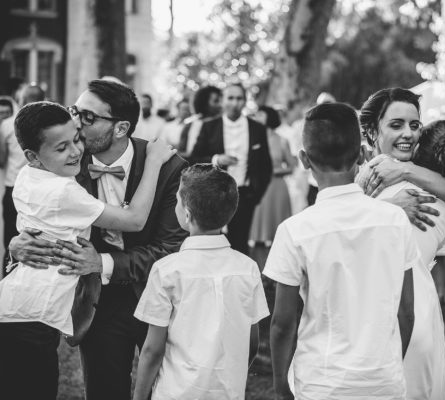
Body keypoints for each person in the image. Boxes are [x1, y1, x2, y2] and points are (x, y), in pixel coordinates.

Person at [8, 79, 188, 400]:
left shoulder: (168, 167)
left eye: (87, 117)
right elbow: (40, 213)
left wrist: (102, 261)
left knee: (164, 389)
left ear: (120, 128)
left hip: (156, 294)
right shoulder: (67, 162)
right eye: (75, 111)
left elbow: (172, 249)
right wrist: (16, 245)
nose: (75, 121)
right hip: (97, 299)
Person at [265, 102, 421, 399]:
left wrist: (280, 384)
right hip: (383, 379)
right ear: (362, 155)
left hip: (322, 382)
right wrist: (388, 366)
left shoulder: (294, 230)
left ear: (303, 160)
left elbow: (283, 323)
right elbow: (407, 311)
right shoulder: (394, 220)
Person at [357, 88, 445, 400]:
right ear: (372, 131)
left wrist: (405, 170)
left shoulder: (430, 179)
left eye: (414, 125)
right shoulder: (369, 175)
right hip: (378, 301)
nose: (408, 134)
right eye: (396, 125)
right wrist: (387, 208)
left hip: (401, 304)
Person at [132, 164, 269, 400]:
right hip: (227, 392)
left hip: (175, 393)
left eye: (176, 201)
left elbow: (152, 350)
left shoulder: (167, 270)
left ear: (186, 213)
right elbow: (252, 342)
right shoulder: (248, 269)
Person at [189, 83, 272, 255]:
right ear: (222, 101)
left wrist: (255, 195)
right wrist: (216, 159)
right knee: (211, 245)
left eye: (239, 98)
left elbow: (266, 166)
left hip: (244, 195)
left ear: (245, 101)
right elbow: (193, 159)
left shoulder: (257, 129)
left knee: (240, 245)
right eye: (230, 98)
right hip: (211, 195)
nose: (235, 103)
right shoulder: (209, 127)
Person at [0, 85, 45, 264]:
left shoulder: (7, 124)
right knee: (39, 237)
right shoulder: (53, 122)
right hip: (43, 188)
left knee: (12, 239)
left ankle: (10, 272)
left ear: (20, 100)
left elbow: (2, 159)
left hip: (14, 187)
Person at [250, 105, 295, 245]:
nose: (256, 117)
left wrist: (273, 170)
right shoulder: (252, 139)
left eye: (260, 115)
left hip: (276, 186)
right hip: (257, 186)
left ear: (269, 117)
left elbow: (292, 167)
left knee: (277, 236)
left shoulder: (282, 140)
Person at [176, 85, 222, 158]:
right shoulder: (190, 124)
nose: (220, 104)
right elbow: (182, 151)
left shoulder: (222, 123)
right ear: (204, 103)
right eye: (216, 101)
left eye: (221, 100)